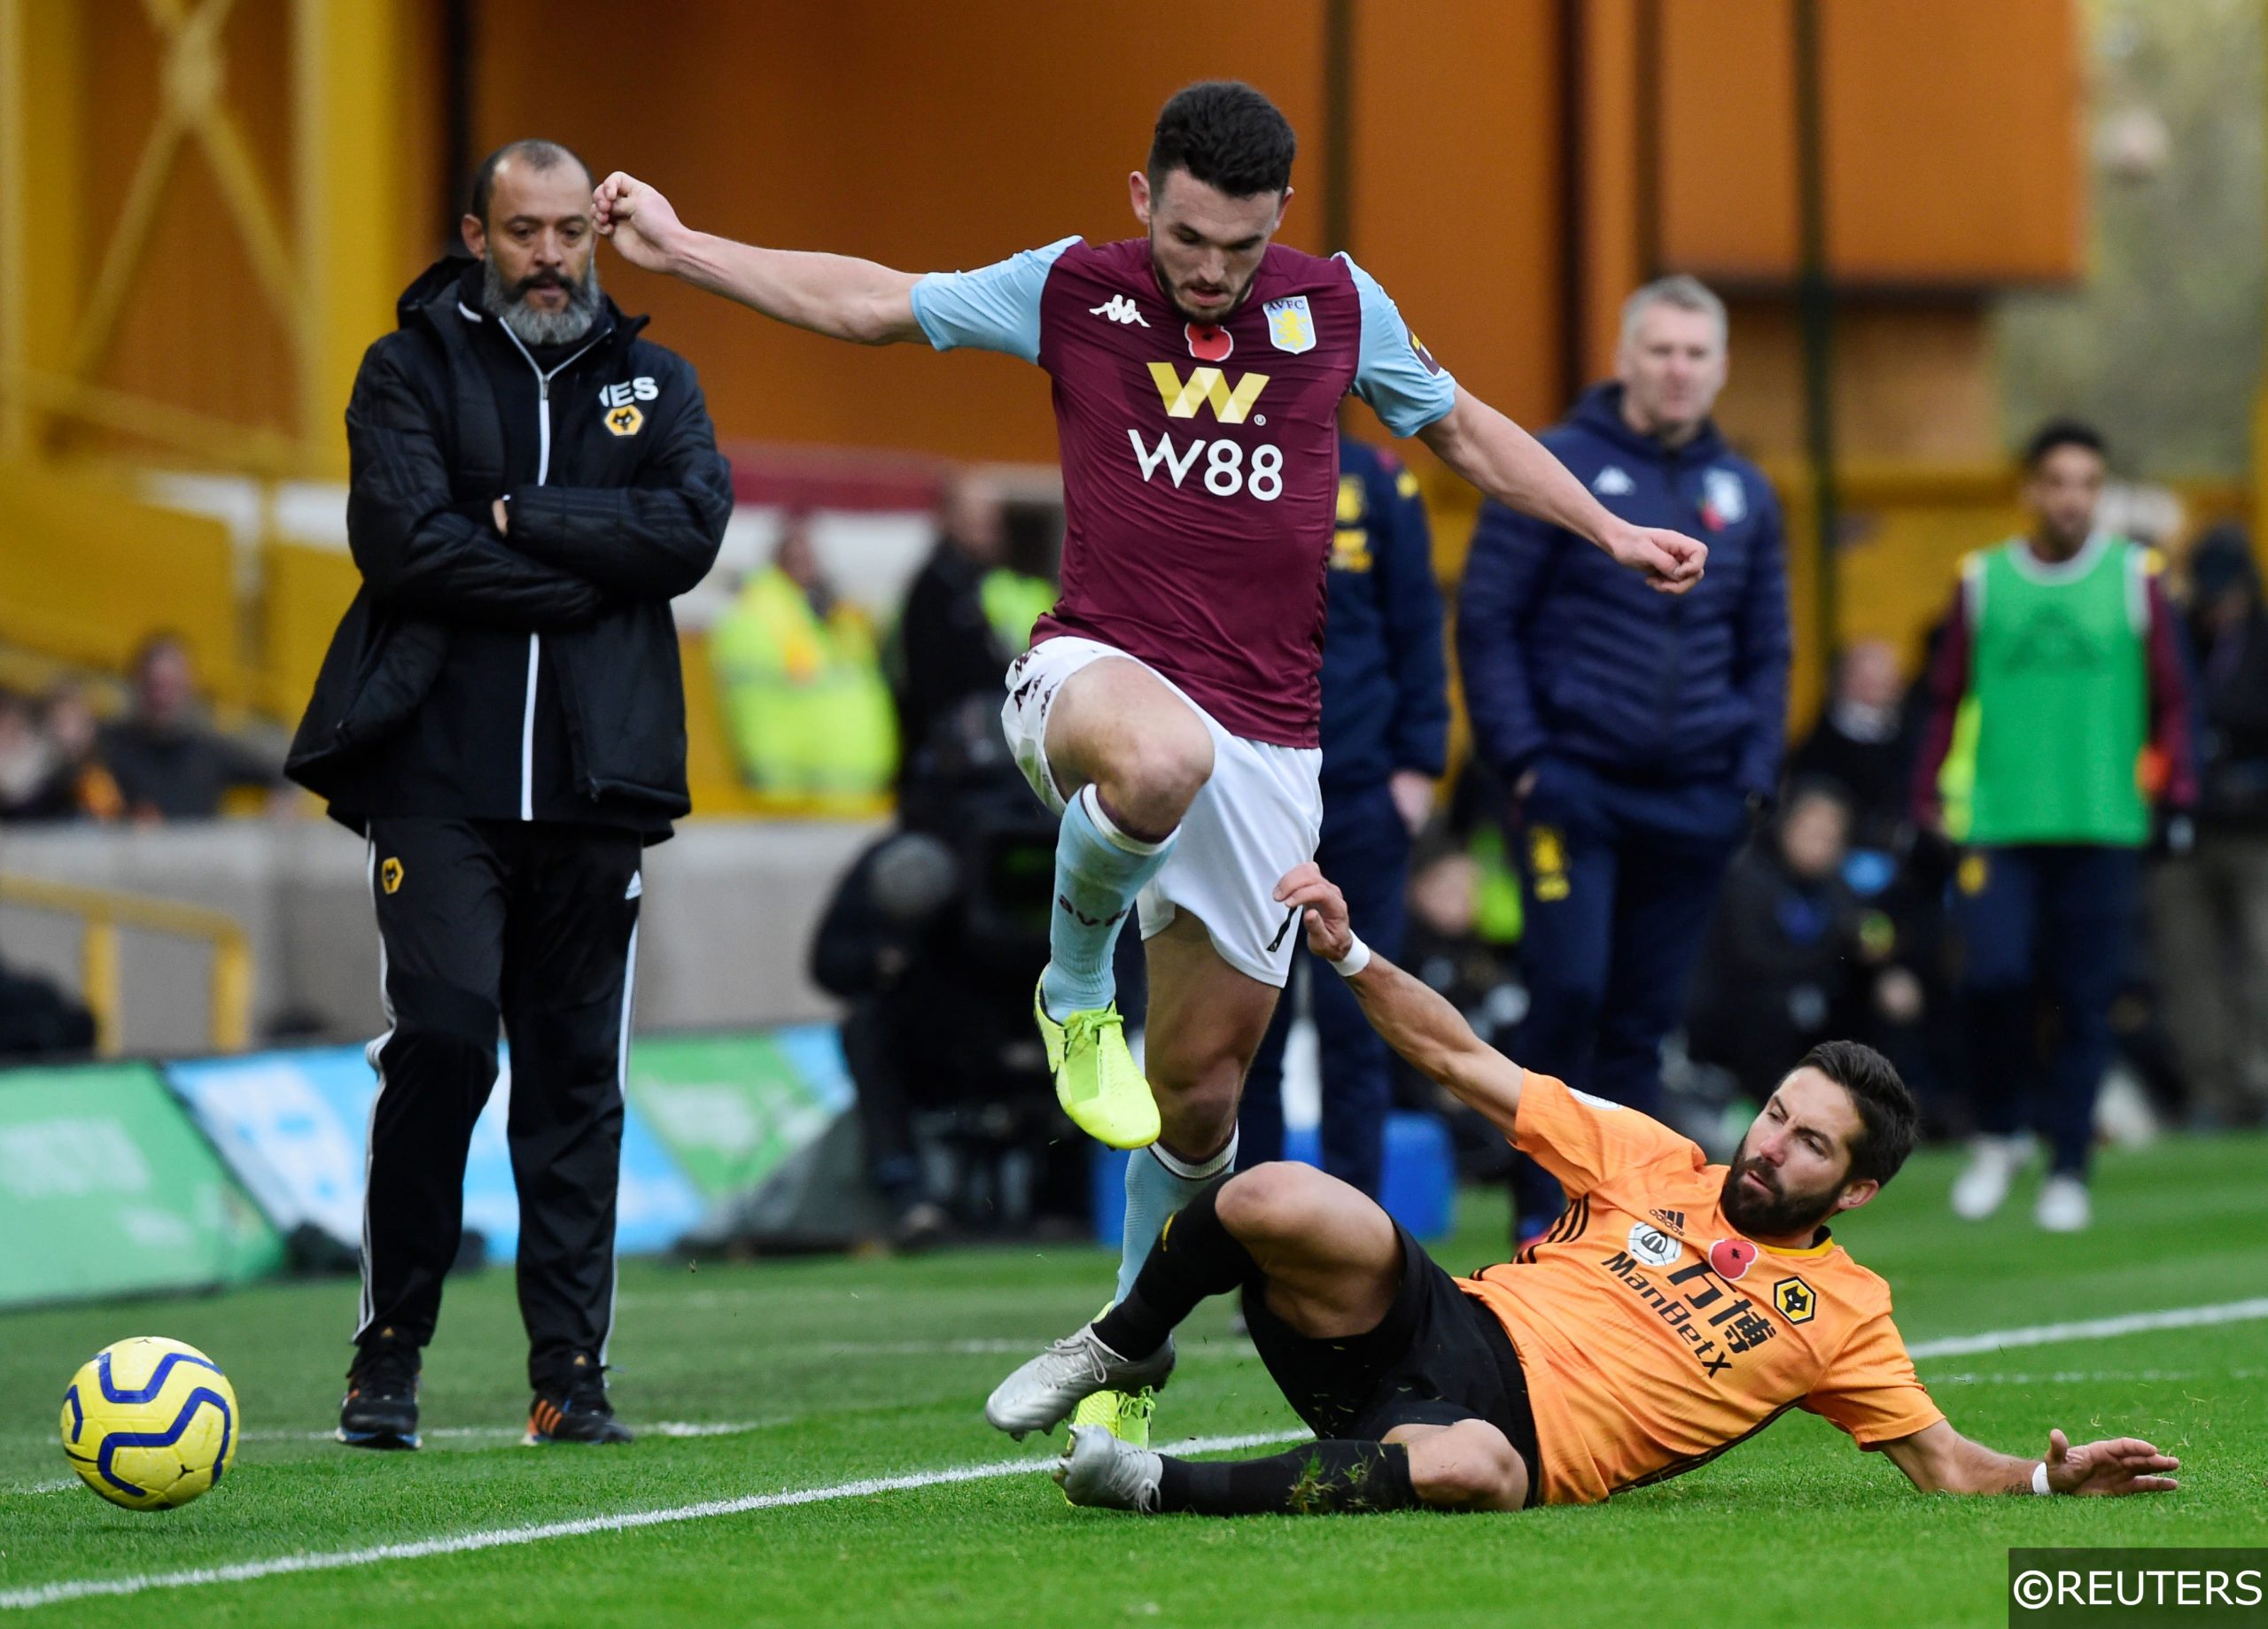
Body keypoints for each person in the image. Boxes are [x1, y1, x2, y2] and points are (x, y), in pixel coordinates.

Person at [595, 81, 1705, 1443]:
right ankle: (1072, 985)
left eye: (1239, 248)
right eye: (1188, 238)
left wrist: (1609, 531)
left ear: (1280, 220)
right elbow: (872, 299)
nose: (1210, 272)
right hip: (1091, 680)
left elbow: (1464, 428)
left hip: (1274, 744)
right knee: (1160, 754)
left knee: (1198, 1101)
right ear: (1143, 199)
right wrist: (686, 245)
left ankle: (1122, 1367)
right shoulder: (1072, 290)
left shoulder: (1339, 308)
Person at [985, 862, 2181, 1515]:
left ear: (1854, 1191)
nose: (1769, 1145)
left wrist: (2040, 1476)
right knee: (1277, 1191)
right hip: (1442, 1323)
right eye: (1776, 1113)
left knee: (1477, 1476)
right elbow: (1465, 1060)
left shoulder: (1848, 1317)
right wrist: (1349, 950)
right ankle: (1120, 1345)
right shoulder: (1654, 1154)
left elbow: (1939, 1461)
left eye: (1810, 1145)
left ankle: (1148, 1483)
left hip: (1510, 1440)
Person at [285, 138, 732, 1450]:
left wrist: (518, 517)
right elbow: (404, 546)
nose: (550, 255)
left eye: (568, 233)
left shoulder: (660, 379)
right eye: (523, 230)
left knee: (575, 1082)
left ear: (595, 237)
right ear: (475, 234)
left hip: (603, 787)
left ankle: (568, 1373)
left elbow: (690, 534)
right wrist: (596, 565)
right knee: (440, 1038)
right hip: (438, 782)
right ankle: (389, 1347)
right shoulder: (405, 367)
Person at [1457, 275, 1790, 1245]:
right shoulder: (1552, 464)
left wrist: (1751, 779)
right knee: (1567, 990)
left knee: (1644, 1021)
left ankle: (1608, 1229)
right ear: (1624, 357)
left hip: (1695, 799)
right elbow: (1486, 620)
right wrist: (1521, 760)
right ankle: (1530, 1206)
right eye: (1661, 350)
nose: (1678, 369)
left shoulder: (1746, 494)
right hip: (1573, 786)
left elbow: (1769, 646)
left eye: (1696, 353)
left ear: (1720, 367)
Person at [1913, 420, 2196, 1232]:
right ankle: (2001, 1131)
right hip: (2001, 822)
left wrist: (2177, 791)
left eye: (2086, 483)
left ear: (2098, 492)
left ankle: (2068, 1162)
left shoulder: (2138, 579)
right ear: (2031, 489)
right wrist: (1925, 791)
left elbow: (2175, 700)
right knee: (1993, 976)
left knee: (2085, 1000)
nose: (2072, 497)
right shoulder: (1984, 581)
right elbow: (1944, 695)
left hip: (2104, 824)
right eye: (2058, 481)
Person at [1239, 431, 1448, 1198]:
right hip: (1247, 788)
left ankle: (1349, 1241)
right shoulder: (1214, 455)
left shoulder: (1379, 481)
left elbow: (1418, 622)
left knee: (1355, 1022)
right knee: (1246, 1024)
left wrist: (1419, 764)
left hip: (1359, 790)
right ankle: (1255, 1237)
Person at [1686, 781, 1922, 1100]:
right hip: (1742, 1010)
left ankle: (1880, 1104)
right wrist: (1833, 950)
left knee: (1888, 996)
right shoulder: (1748, 875)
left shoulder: (1837, 887)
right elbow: (1754, 960)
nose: (1820, 845)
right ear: (1788, 825)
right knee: (1778, 1007)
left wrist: (1884, 968)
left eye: (1831, 837)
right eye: (1812, 832)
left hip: (1814, 1002)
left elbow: (1868, 931)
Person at [2146, 524, 2268, 1129]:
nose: (2221, 607)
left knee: (2261, 958)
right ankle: (2210, 1090)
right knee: (2187, 965)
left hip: (2255, 831)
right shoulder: (2175, 640)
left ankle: (2259, 1079)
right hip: (2181, 828)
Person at [710, 514, 899, 809]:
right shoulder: (756, 613)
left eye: (810, 555)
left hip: (853, 785)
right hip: (790, 788)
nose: (807, 563)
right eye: (796, 555)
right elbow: (753, 700)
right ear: (777, 558)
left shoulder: (834, 612)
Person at [893, 471, 1054, 772]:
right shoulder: (937, 587)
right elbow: (931, 683)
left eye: (993, 517)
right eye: (978, 517)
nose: (990, 528)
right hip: (954, 762)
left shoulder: (994, 583)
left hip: (992, 748)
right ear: (950, 519)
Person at [98, 633, 281, 819]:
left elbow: (281, 774)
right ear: (136, 683)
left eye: (171, 687)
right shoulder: (107, 744)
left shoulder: (210, 749)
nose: (162, 699)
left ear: (189, 685)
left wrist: (282, 806)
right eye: (154, 686)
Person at [1787, 639, 1917, 849]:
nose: (1874, 689)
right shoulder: (1818, 744)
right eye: (1865, 680)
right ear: (1842, 681)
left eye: (1882, 682)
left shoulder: (1913, 737)